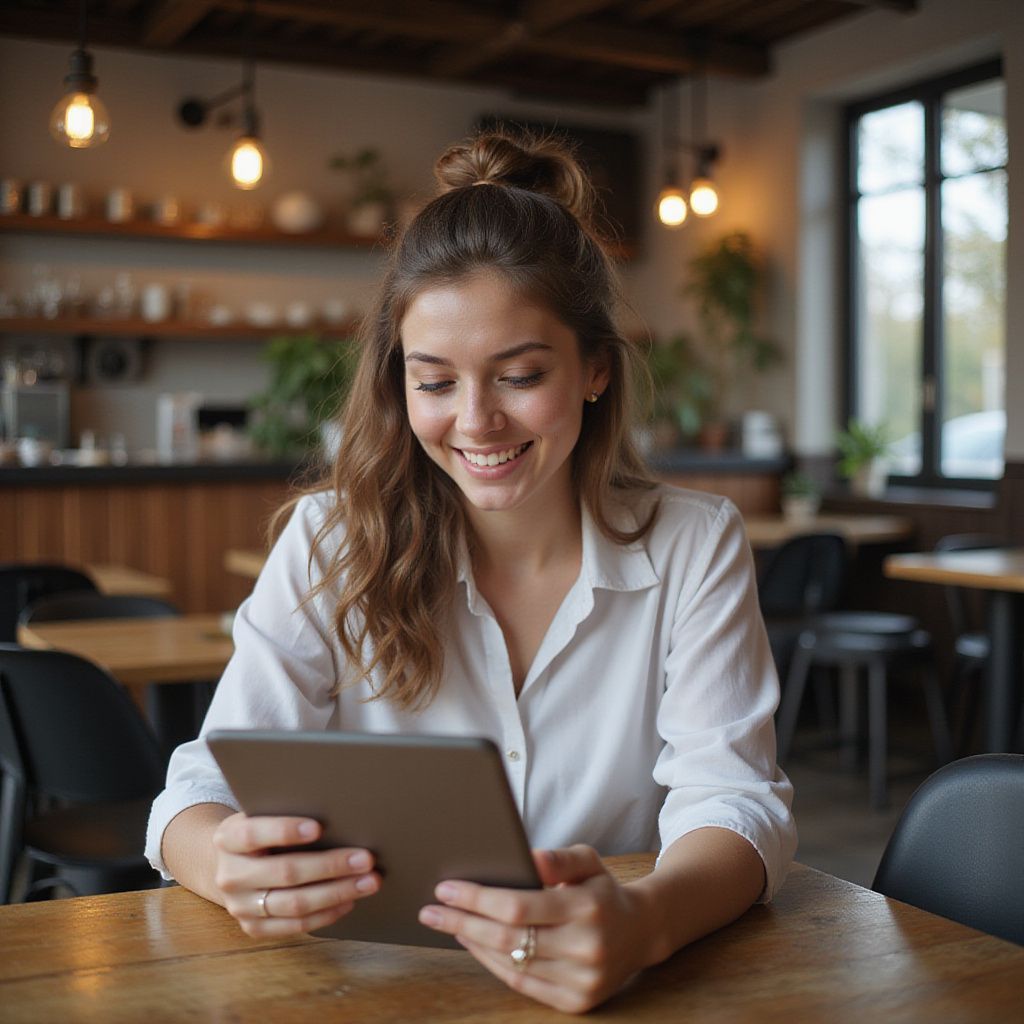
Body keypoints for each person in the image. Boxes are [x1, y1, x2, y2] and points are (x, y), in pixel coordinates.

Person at [147, 129, 796, 1014]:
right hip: (372, 992)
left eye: (520, 374)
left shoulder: (694, 543)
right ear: (397, 383)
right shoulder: (326, 542)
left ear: (595, 368)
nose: (477, 421)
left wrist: (643, 923)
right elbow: (198, 789)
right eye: (435, 382)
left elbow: (736, 802)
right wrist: (223, 861)